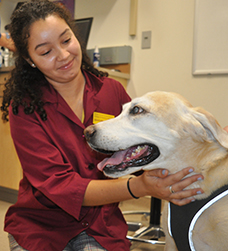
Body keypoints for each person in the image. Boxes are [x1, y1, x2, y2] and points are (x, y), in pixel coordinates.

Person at [0, 1, 204, 250]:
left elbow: (141, 146)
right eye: (45, 52)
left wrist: (171, 175)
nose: (64, 55)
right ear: (30, 59)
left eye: (66, 40)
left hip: (100, 225)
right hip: (42, 227)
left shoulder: (111, 91)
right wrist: (138, 187)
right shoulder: (25, 107)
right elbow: (60, 186)